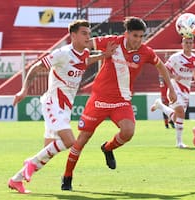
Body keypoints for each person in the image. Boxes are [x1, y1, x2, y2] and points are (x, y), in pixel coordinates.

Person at [61, 16, 177, 190]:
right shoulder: (112, 42)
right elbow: (86, 44)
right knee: (82, 139)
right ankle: (67, 176)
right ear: (127, 34)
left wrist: (171, 88)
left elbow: (161, 66)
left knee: (128, 131)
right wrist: (81, 56)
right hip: (99, 100)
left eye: (141, 36)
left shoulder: (145, 52)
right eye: (135, 36)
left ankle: (107, 148)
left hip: (121, 101)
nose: (138, 40)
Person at [8, 19, 116, 194]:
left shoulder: (84, 52)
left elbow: (85, 61)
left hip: (65, 107)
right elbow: (36, 67)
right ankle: (29, 163)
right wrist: (23, 90)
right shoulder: (62, 53)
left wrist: (103, 56)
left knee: (47, 151)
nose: (88, 36)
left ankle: (16, 180)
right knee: (70, 141)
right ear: (73, 35)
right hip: (53, 102)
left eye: (89, 33)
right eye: (84, 33)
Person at [151, 37, 195, 148]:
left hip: (186, 89)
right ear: (182, 44)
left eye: (190, 43)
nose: (188, 45)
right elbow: (163, 70)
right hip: (174, 87)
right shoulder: (175, 57)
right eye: (186, 42)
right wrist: (174, 76)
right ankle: (179, 143)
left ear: (193, 44)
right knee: (180, 112)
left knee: (177, 116)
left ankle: (160, 105)